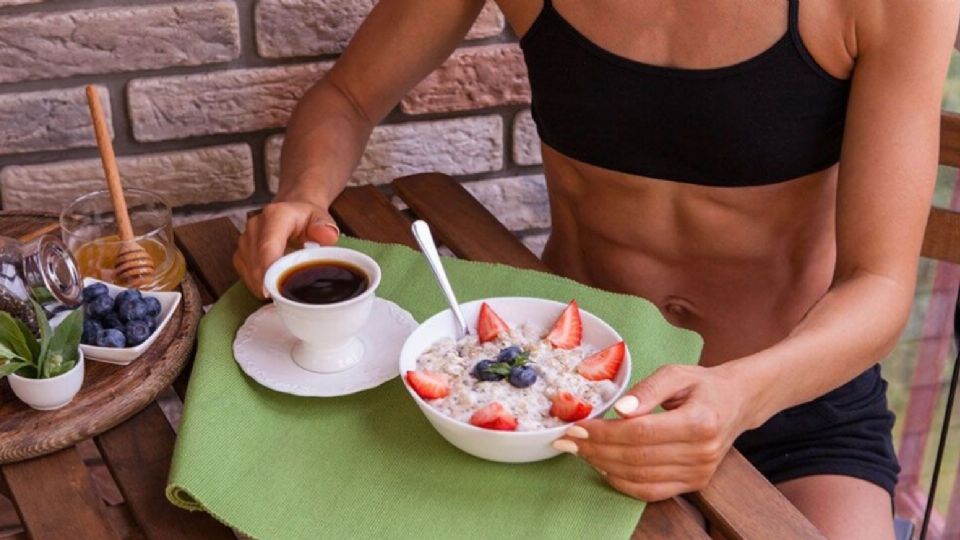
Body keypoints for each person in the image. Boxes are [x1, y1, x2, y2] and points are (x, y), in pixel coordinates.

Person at [233, 1, 960, 537]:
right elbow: (348, 97)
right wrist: (304, 194)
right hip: (560, 396)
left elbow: (880, 283)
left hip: (795, 398)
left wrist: (739, 397)